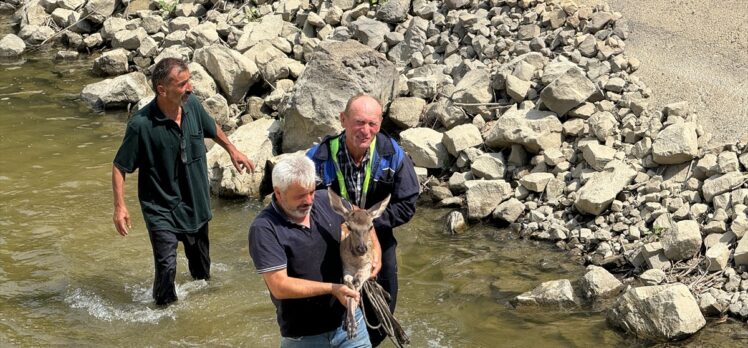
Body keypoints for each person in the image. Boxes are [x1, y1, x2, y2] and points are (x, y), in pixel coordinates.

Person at [111, 58, 254, 306]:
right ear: (162, 90)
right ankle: (164, 319)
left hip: (195, 204)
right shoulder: (140, 125)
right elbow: (119, 166)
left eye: (189, 81)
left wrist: (232, 149)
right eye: (183, 84)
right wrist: (120, 207)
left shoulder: (193, 106)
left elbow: (212, 128)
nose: (190, 88)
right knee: (167, 268)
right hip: (160, 208)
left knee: (202, 275)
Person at [306, 94, 419, 346]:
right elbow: (300, 202)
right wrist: (342, 224)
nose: (365, 131)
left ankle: (371, 341)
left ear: (380, 124)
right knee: (327, 300)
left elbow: (407, 204)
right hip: (331, 235)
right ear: (343, 120)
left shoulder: (393, 155)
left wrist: (369, 226)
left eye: (372, 124)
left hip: (376, 228)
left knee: (384, 302)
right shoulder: (318, 157)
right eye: (358, 122)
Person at [248, 155, 376, 347]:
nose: (309, 200)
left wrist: (377, 256)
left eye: (311, 192)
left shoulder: (325, 200)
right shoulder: (264, 228)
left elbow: (362, 216)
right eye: (300, 195)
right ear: (279, 192)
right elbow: (279, 286)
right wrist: (334, 289)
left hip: (350, 324)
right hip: (304, 336)